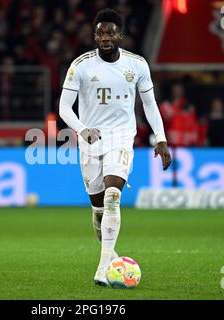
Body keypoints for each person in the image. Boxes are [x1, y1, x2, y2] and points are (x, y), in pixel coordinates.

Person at [58, 8, 171, 286]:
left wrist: (161, 138)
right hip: (90, 140)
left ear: (119, 34)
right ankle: (111, 256)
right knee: (98, 209)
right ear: (94, 35)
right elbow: (63, 108)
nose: (105, 36)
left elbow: (149, 104)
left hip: (121, 137)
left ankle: (101, 268)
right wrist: (83, 129)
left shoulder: (137, 65)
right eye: (100, 32)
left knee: (112, 197)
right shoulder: (81, 66)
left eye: (110, 32)